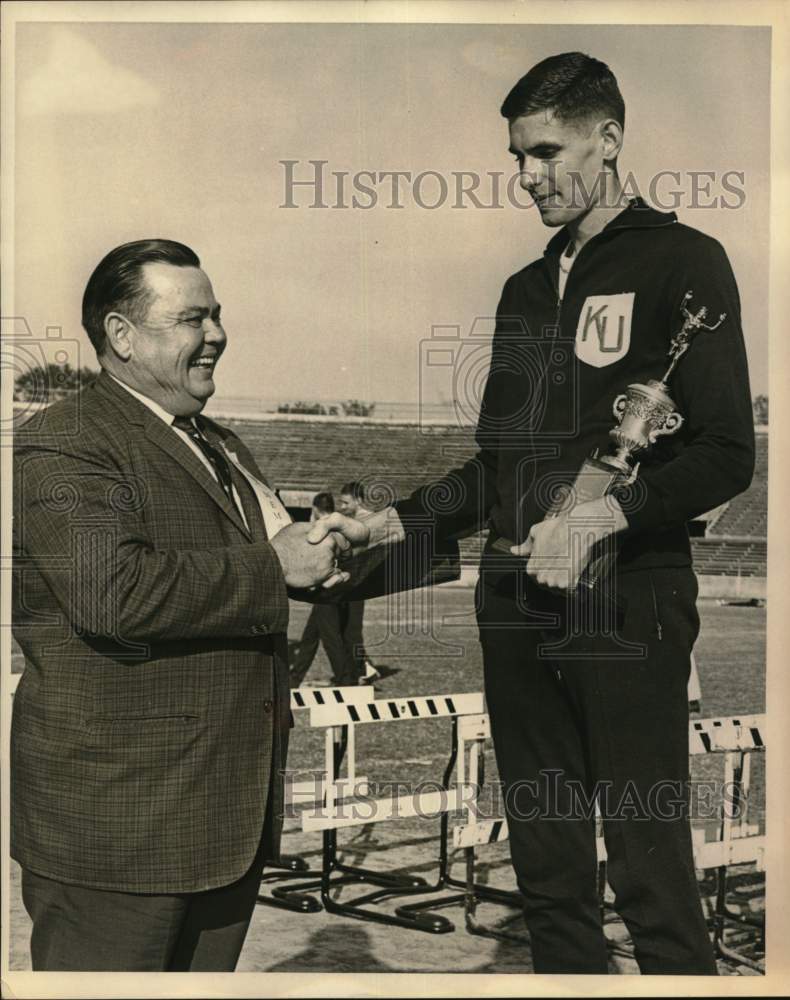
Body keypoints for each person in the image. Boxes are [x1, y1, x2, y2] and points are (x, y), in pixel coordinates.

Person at [360, 53, 754, 974]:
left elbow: (727, 451)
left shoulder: (684, 262)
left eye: (547, 152)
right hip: (514, 604)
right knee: (545, 865)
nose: (527, 177)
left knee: (651, 873)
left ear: (609, 140)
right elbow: (495, 471)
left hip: (626, 601)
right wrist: (397, 524)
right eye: (517, 157)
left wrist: (603, 518)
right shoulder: (525, 290)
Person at [11, 239, 366, 972]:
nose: (216, 336)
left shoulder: (222, 443)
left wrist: (336, 553)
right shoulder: (66, 438)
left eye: (218, 316)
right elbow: (113, 594)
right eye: (192, 320)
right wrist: (278, 568)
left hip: (222, 824)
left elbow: (274, 555)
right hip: (122, 833)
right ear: (121, 335)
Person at [290, 492, 361, 687]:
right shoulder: (340, 525)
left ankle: (345, 678)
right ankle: (294, 678)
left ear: (315, 508)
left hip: (326, 590)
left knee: (330, 638)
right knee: (310, 636)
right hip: (340, 586)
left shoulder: (319, 529)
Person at [336, 481, 380, 684]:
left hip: (359, 582)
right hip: (349, 581)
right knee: (345, 628)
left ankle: (360, 671)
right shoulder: (351, 520)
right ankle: (361, 668)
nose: (342, 507)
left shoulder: (367, 521)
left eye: (345, 503)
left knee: (352, 629)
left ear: (358, 500)